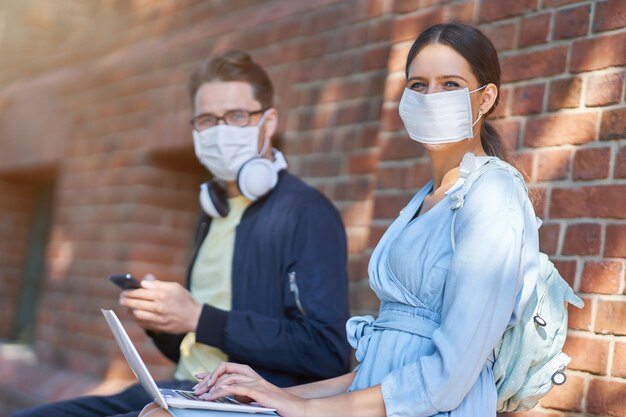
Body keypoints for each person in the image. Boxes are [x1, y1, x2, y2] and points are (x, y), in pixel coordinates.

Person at [139, 22, 541, 417]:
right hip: (366, 401)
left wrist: (307, 410)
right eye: (418, 85)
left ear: (485, 99)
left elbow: (447, 378)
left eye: (450, 84)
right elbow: (374, 371)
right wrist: (268, 394)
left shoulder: (494, 194)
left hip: (427, 408)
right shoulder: (424, 200)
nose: (430, 96)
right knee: (159, 412)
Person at [12, 50, 351, 417]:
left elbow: (325, 351)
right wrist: (164, 322)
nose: (221, 130)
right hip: (183, 389)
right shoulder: (213, 209)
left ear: (268, 123)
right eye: (207, 120)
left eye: (237, 116)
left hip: (245, 403)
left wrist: (197, 317)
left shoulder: (306, 211)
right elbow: (202, 346)